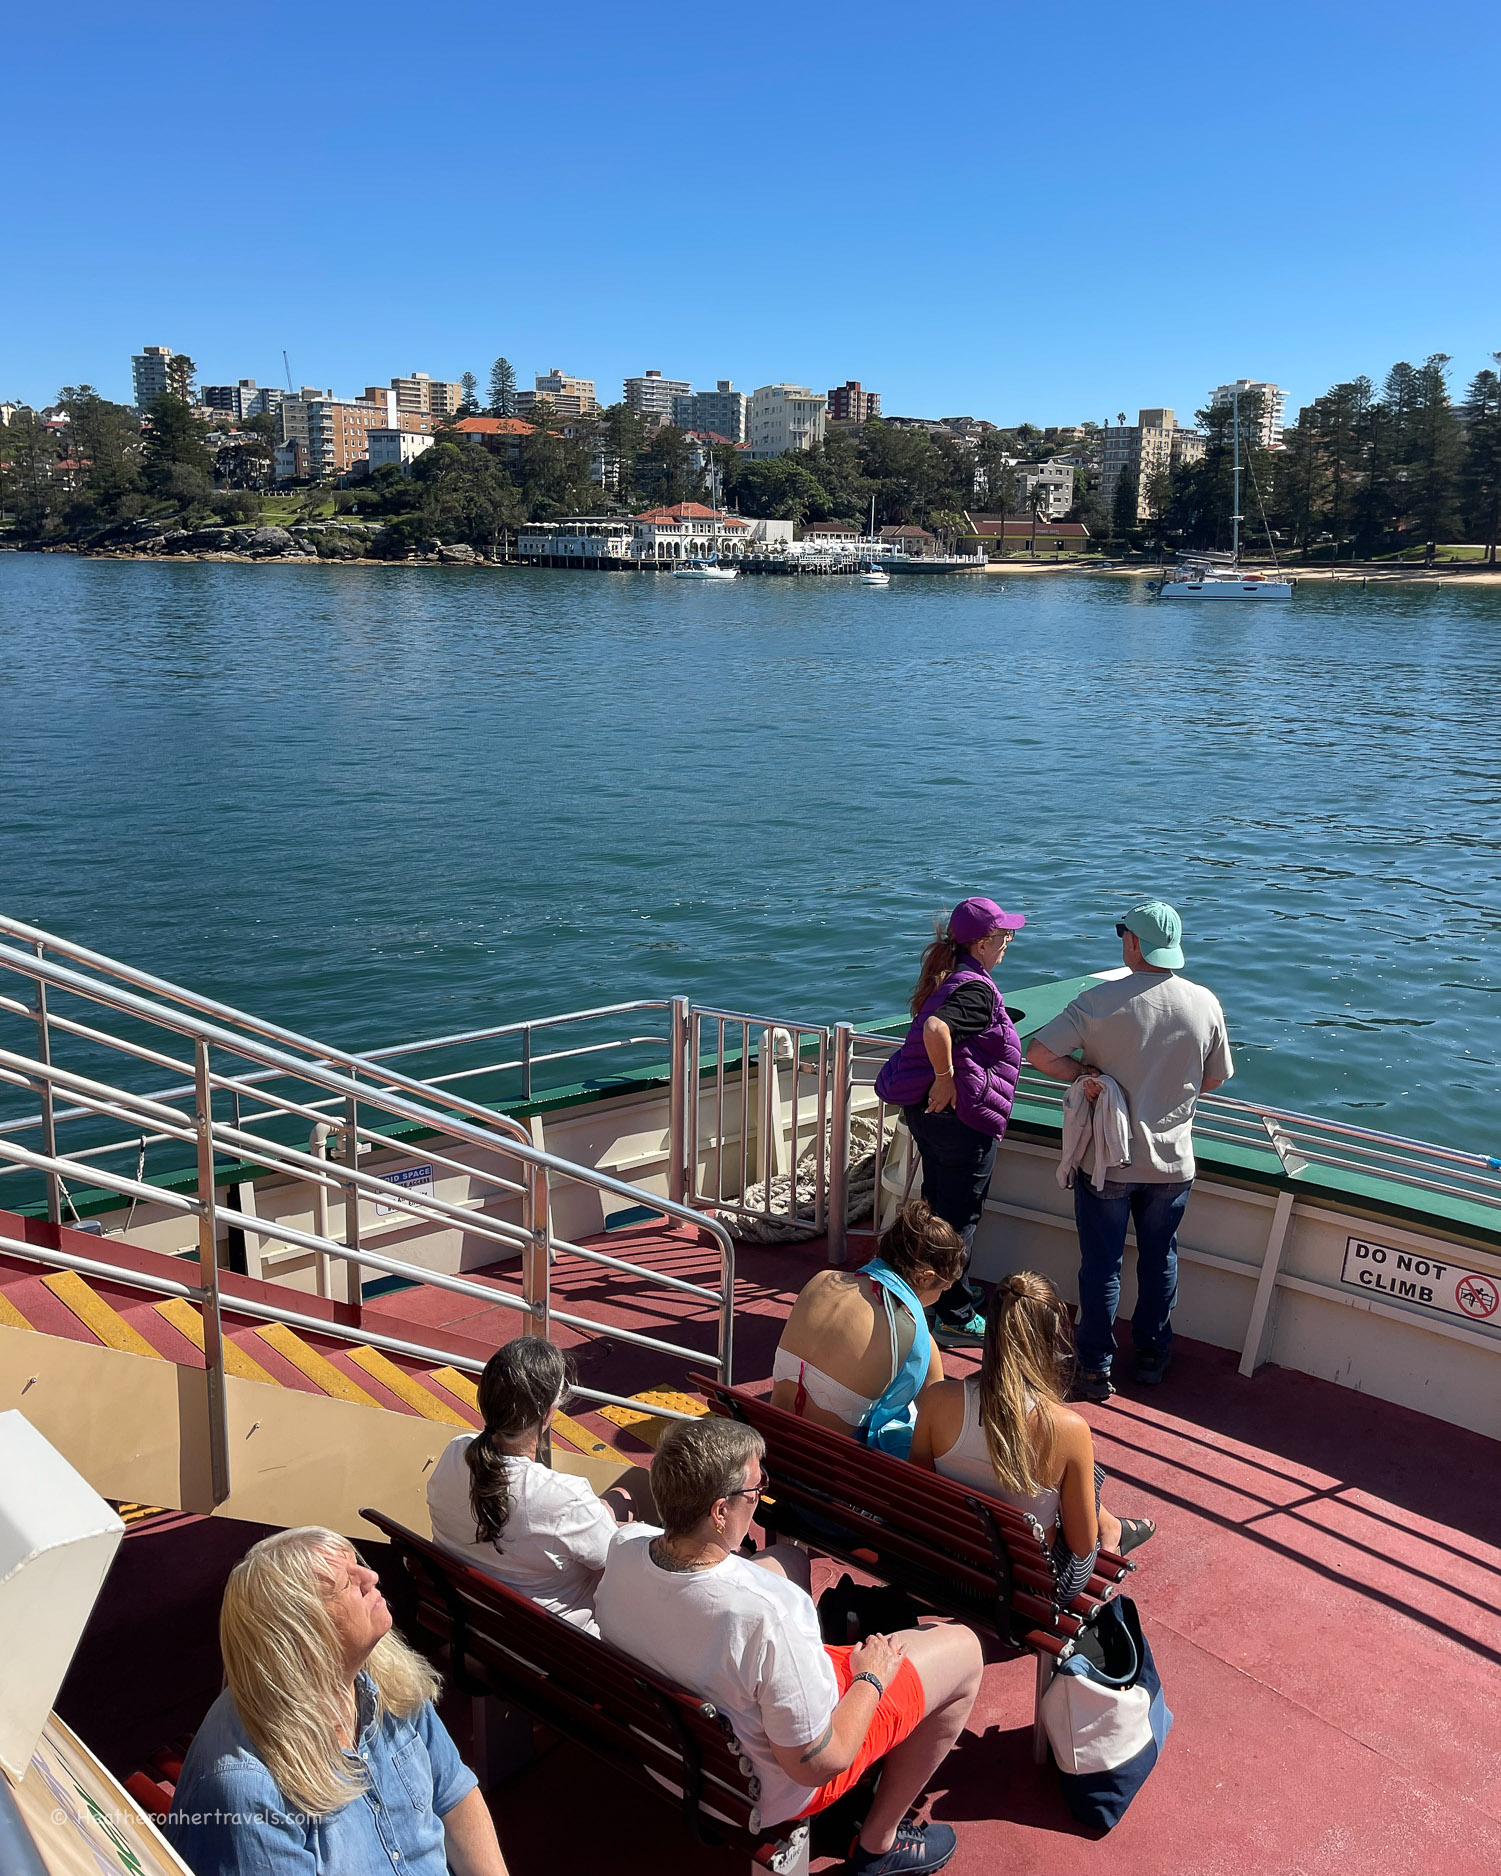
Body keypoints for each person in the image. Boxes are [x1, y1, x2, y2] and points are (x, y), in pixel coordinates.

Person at [595, 1416, 982, 1876]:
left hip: (666, 1750)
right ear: (720, 1512)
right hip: (765, 1789)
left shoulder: (623, 1546)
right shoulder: (773, 1612)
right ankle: (879, 1844)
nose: (758, 1501)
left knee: (791, 1558)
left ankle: (795, 1683)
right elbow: (820, 1764)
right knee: (966, 1649)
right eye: (754, 1493)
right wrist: (871, 1677)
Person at [168, 1526, 508, 1876]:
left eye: (357, 1565)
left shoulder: (386, 1675)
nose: (371, 1576)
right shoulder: (248, 1787)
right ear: (304, 1635)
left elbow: (454, 1796)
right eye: (346, 1582)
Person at [1025, 900, 1233, 1399]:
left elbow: (1038, 1053)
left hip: (1108, 1161)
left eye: (1124, 934)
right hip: (1173, 1163)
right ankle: (1153, 1357)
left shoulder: (1099, 1001)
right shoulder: (1204, 1002)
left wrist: (1087, 1076)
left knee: (1102, 1265)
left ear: (1134, 944)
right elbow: (1216, 1078)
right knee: (1160, 1259)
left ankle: (1095, 1369)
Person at [910, 1273, 1154, 1605]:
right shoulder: (1068, 1428)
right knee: (1084, 1477)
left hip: (952, 1571)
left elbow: (919, 1496)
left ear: (991, 1333)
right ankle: (1112, 1530)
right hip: (1028, 1590)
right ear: (1052, 1343)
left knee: (1071, 1475)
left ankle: (1109, 1524)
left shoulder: (937, 1401)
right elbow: (1082, 1546)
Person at [875, 896, 1026, 1347]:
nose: (1008, 944)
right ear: (981, 944)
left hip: (927, 1117)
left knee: (938, 1205)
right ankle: (955, 1316)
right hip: (960, 1122)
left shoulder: (947, 977)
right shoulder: (976, 990)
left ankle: (936, 1295)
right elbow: (937, 1029)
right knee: (960, 1218)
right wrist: (946, 1078)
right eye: (1003, 937)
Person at [426, 1335, 652, 1633]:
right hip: (552, 1647)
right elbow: (617, 1561)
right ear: (548, 1414)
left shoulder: (456, 1452)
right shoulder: (564, 1497)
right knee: (623, 1519)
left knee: (617, 1500)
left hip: (469, 1617)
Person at [769, 1201, 967, 1455]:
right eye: (945, 1287)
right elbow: (938, 1424)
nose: (945, 1294)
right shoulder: (915, 1336)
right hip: (825, 1472)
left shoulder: (822, 1280)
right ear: (925, 1277)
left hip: (770, 1442)